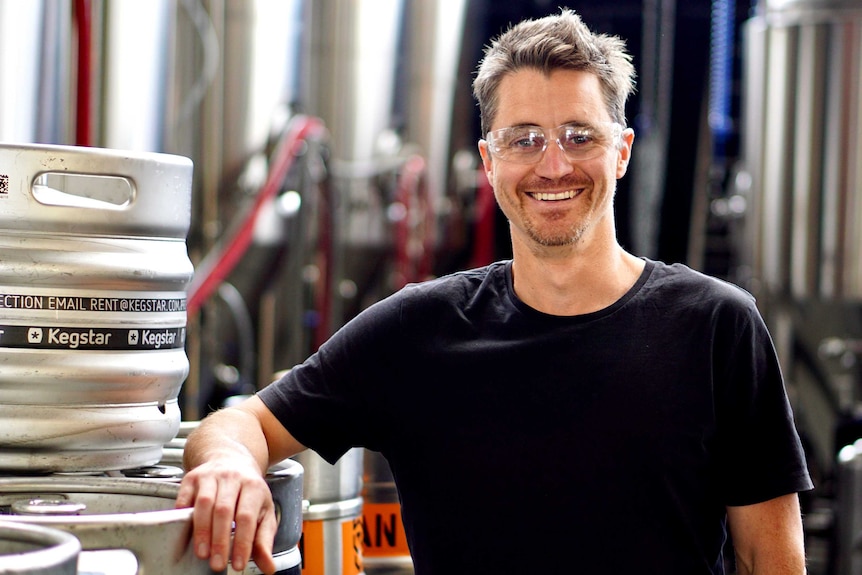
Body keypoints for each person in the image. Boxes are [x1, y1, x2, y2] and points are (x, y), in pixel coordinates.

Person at [177, 8, 813, 574]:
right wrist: (228, 464)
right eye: (524, 139)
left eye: (579, 136)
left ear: (621, 152)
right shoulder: (418, 331)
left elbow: (771, 559)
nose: (553, 164)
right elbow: (240, 422)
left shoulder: (716, 328)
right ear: (489, 161)